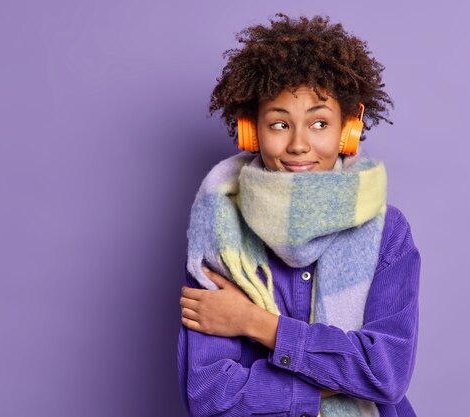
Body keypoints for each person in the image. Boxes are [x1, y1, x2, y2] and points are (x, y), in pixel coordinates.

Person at [177, 13, 421, 417]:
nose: (298, 145)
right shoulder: (219, 231)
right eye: (278, 124)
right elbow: (209, 394)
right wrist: (333, 376)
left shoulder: (387, 232)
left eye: (320, 123)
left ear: (348, 130)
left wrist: (257, 324)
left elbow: (386, 375)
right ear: (250, 131)